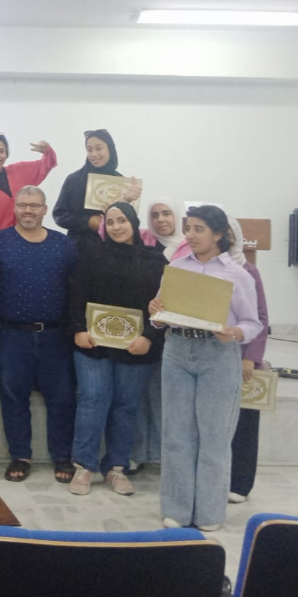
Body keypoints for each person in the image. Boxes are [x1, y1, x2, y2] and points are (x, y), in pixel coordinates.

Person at [149, 205, 261, 532]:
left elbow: (253, 323)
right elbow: (160, 314)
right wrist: (156, 312)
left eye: (199, 229)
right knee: (176, 434)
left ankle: (210, 513)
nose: (191, 235)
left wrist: (235, 333)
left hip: (218, 354)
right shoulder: (175, 267)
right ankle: (177, 509)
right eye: (188, 229)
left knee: (214, 436)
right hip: (177, 350)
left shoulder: (238, 274)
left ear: (218, 234)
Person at [66, 202, 168, 497]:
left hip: (136, 347)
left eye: (121, 220)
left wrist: (149, 337)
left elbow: (164, 305)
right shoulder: (91, 255)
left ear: (133, 222)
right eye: (109, 222)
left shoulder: (156, 260)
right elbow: (76, 295)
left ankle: (116, 467)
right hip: (93, 345)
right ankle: (84, 466)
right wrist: (78, 330)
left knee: (126, 406)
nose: (116, 227)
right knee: (93, 400)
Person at [0, 186, 78, 484]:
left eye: (35, 206)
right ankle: (20, 456)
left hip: (55, 335)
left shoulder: (64, 245)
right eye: (23, 205)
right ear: (15, 208)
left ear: (44, 209)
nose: (28, 211)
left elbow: (76, 290)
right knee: (13, 397)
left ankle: (62, 455)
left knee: (62, 398)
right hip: (10, 334)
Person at [130, 196, 187, 472]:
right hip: (141, 328)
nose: (161, 219)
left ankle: (169, 457)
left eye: (166, 213)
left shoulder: (189, 247)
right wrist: (125, 200)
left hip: (174, 333)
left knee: (166, 399)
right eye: (154, 215)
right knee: (138, 396)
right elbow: (107, 229)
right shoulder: (142, 240)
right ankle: (138, 453)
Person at [227, 216, 270, 504]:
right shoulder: (204, 267)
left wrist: (251, 357)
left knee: (244, 423)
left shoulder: (248, 270)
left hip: (242, 356)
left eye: (230, 233)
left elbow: (261, 317)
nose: (226, 238)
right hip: (212, 355)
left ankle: (240, 484)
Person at [52, 129, 140, 244]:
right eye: (89, 150)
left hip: (113, 248)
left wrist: (128, 201)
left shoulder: (121, 182)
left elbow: (130, 222)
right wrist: (88, 221)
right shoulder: (74, 180)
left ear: (110, 149)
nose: (93, 154)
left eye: (99, 148)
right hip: (80, 248)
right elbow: (59, 215)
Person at [0, 132, 58, 231]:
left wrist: (46, 150)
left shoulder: (19, 171)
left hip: (27, 236)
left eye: (1, 151)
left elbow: (46, 164)